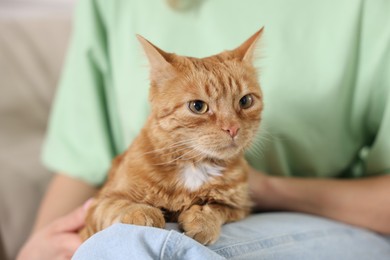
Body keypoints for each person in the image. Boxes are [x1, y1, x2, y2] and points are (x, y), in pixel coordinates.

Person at [17, 0, 390, 259]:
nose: (230, 128)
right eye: (199, 107)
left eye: (245, 103)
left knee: (141, 248)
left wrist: (263, 188)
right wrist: (35, 250)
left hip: (333, 222)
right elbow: (81, 165)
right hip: (125, 226)